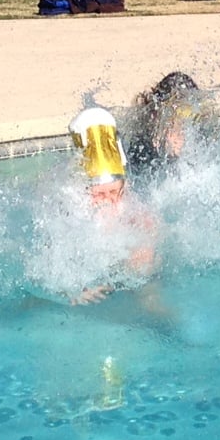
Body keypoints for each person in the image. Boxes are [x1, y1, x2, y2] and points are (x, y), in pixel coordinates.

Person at [67, 105, 157, 304]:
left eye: (115, 192)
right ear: (84, 189)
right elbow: (48, 265)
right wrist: (72, 292)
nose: (109, 200)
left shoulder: (128, 199)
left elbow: (152, 230)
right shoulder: (69, 207)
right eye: (99, 194)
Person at [126, 71, 200, 170]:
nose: (181, 133)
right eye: (174, 122)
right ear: (155, 114)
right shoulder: (139, 149)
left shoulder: (200, 140)